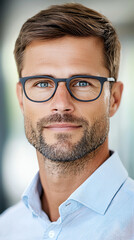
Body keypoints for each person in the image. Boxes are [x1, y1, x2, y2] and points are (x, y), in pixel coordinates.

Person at [0, 3, 134, 239]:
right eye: (42, 83)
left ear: (113, 98)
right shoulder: (6, 228)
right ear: (21, 99)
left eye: (82, 83)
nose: (61, 103)